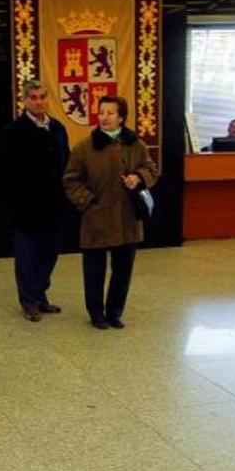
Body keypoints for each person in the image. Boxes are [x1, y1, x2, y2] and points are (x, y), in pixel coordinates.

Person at [62, 95, 158, 330]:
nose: (104, 117)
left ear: (121, 117)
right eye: (101, 112)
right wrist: (88, 203)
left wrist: (139, 177)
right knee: (94, 269)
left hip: (127, 220)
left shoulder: (136, 144)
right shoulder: (85, 147)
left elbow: (151, 168)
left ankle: (114, 311)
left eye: (110, 113)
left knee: (123, 269)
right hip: (97, 218)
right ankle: (96, 313)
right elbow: (70, 180)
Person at [5, 80, 69, 322]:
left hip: (54, 205)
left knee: (49, 253)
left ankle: (41, 295)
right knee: (27, 256)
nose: (39, 101)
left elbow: (67, 163)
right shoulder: (15, 131)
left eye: (43, 96)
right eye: (33, 97)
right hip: (26, 207)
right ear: (25, 100)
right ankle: (29, 301)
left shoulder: (58, 129)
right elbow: (8, 171)